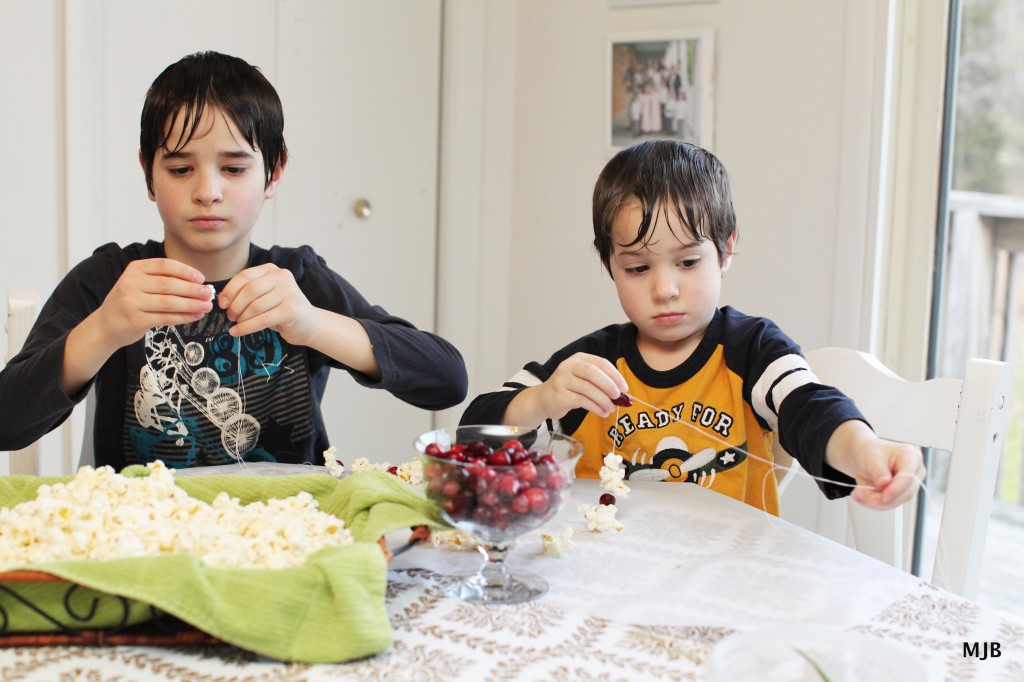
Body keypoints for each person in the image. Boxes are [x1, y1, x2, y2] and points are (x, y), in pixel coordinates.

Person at [0, 51, 468, 470]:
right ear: (148, 175)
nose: (207, 192)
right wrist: (102, 329)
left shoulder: (296, 279)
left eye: (234, 168)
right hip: (147, 539)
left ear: (274, 172)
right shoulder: (109, 280)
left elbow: (447, 379)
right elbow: (7, 423)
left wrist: (312, 324)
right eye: (181, 169)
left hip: (285, 536)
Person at [461, 140, 923, 514]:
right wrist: (540, 400)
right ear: (610, 265)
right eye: (638, 269)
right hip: (605, 578)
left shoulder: (753, 349)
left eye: (687, 262)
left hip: (727, 577)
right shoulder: (590, 366)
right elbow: (473, 429)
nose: (665, 289)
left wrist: (865, 449)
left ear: (725, 252)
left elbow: (809, 408)